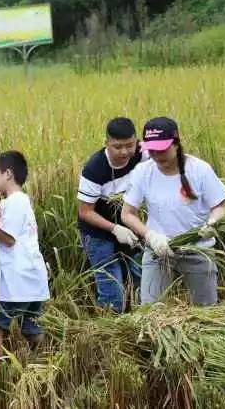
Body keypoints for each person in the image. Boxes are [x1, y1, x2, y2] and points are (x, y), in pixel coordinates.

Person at [121, 117, 225, 305]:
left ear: (176, 143)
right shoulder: (142, 172)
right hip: (158, 250)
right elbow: (127, 213)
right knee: (151, 310)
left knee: (205, 310)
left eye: (162, 149)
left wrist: (212, 223)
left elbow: (219, 206)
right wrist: (151, 236)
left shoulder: (199, 170)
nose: (157, 155)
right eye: (152, 150)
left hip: (197, 248)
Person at [0, 150, 50, 359]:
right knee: (31, 328)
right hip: (32, 278)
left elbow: (8, 238)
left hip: (19, 279)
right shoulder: (18, 201)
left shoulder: (16, 201)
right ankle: (45, 365)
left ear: (8, 174)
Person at [77, 117, 146, 312]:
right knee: (110, 282)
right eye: (117, 147)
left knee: (140, 274)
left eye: (129, 145)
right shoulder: (94, 169)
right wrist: (115, 229)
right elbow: (85, 212)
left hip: (130, 224)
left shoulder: (142, 152)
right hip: (99, 231)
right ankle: (111, 325)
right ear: (106, 143)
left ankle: (143, 318)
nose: (124, 152)